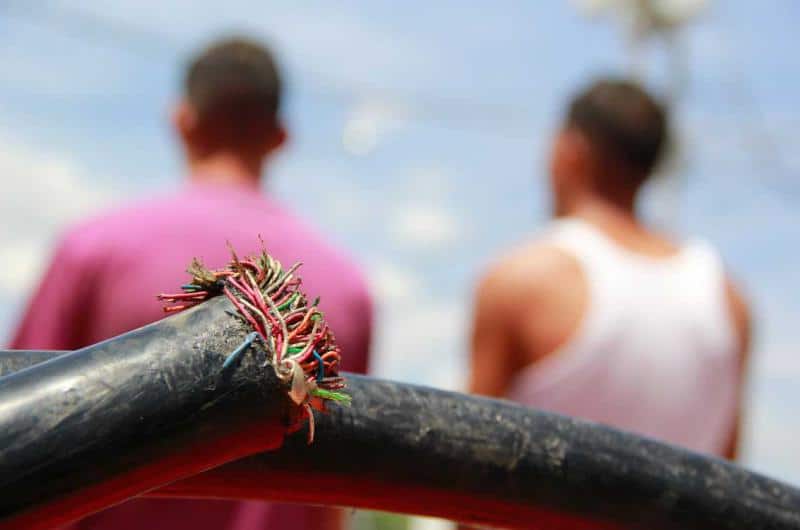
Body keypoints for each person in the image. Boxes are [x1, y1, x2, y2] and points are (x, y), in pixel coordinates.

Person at [10, 37, 372, 530]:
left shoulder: (93, 249)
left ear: (182, 121)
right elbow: (336, 488)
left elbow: (19, 434)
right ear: (281, 136)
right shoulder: (347, 287)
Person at [468, 78, 750, 459]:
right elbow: (724, 475)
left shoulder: (522, 280)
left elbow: (465, 462)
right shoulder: (728, 301)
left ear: (569, 150)